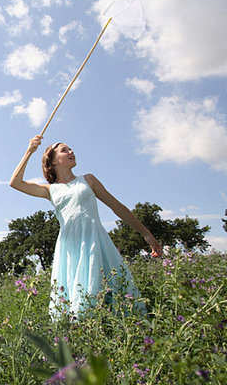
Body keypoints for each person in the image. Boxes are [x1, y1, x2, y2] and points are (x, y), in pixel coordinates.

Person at [10, 135, 161, 318]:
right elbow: (15, 183)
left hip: (95, 241)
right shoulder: (50, 190)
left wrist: (145, 233)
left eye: (71, 149)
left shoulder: (88, 180)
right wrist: (29, 151)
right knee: (77, 296)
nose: (71, 152)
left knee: (113, 294)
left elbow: (117, 207)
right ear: (53, 161)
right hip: (70, 248)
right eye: (65, 150)